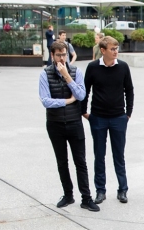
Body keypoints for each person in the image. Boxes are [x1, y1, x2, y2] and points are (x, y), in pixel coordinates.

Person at [41, 39, 98, 211]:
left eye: (64, 55)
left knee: (80, 161)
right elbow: (45, 101)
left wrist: (67, 76)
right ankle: (68, 195)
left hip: (74, 123)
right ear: (52, 55)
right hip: (55, 124)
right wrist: (67, 101)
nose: (62, 58)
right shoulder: (45, 74)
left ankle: (86, 198)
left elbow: (81, 95)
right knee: (62, 162)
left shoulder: (75, 71)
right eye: (58, 55)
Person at [84, 35, 134, 204]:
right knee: (99, 156)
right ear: (103, 50)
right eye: (112, 49)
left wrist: (128, 113)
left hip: (118, 118)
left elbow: (129, 90)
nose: (115, 52)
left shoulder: (123, 67)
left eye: (117, 48)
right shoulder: (92, 67)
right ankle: (100, 190)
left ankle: (123, 189)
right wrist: (84, 112)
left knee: (119, 155)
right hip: (98, 118)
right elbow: (85, 90)